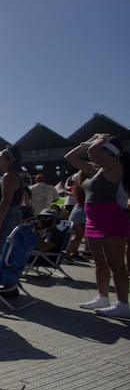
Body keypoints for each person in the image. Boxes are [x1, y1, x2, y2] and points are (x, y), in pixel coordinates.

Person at [65, 135, 130, 318]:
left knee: (116, 265)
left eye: (97, 148)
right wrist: (90, 140)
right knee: (100, 263)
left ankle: (123, 303)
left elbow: (93, 151)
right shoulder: (95, 169)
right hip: (93, 220)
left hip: (111, 218)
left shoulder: (115, 167)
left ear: (108, 152)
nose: (91, 153)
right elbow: (70, 158)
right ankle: (102, 297)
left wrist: (100, 139)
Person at [0, 145, 25, 261]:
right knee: (1, 250)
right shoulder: (14, 176)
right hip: (10, 214)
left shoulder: (9, 177)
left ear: (10, 161)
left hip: (6, 216)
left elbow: (6, 200)